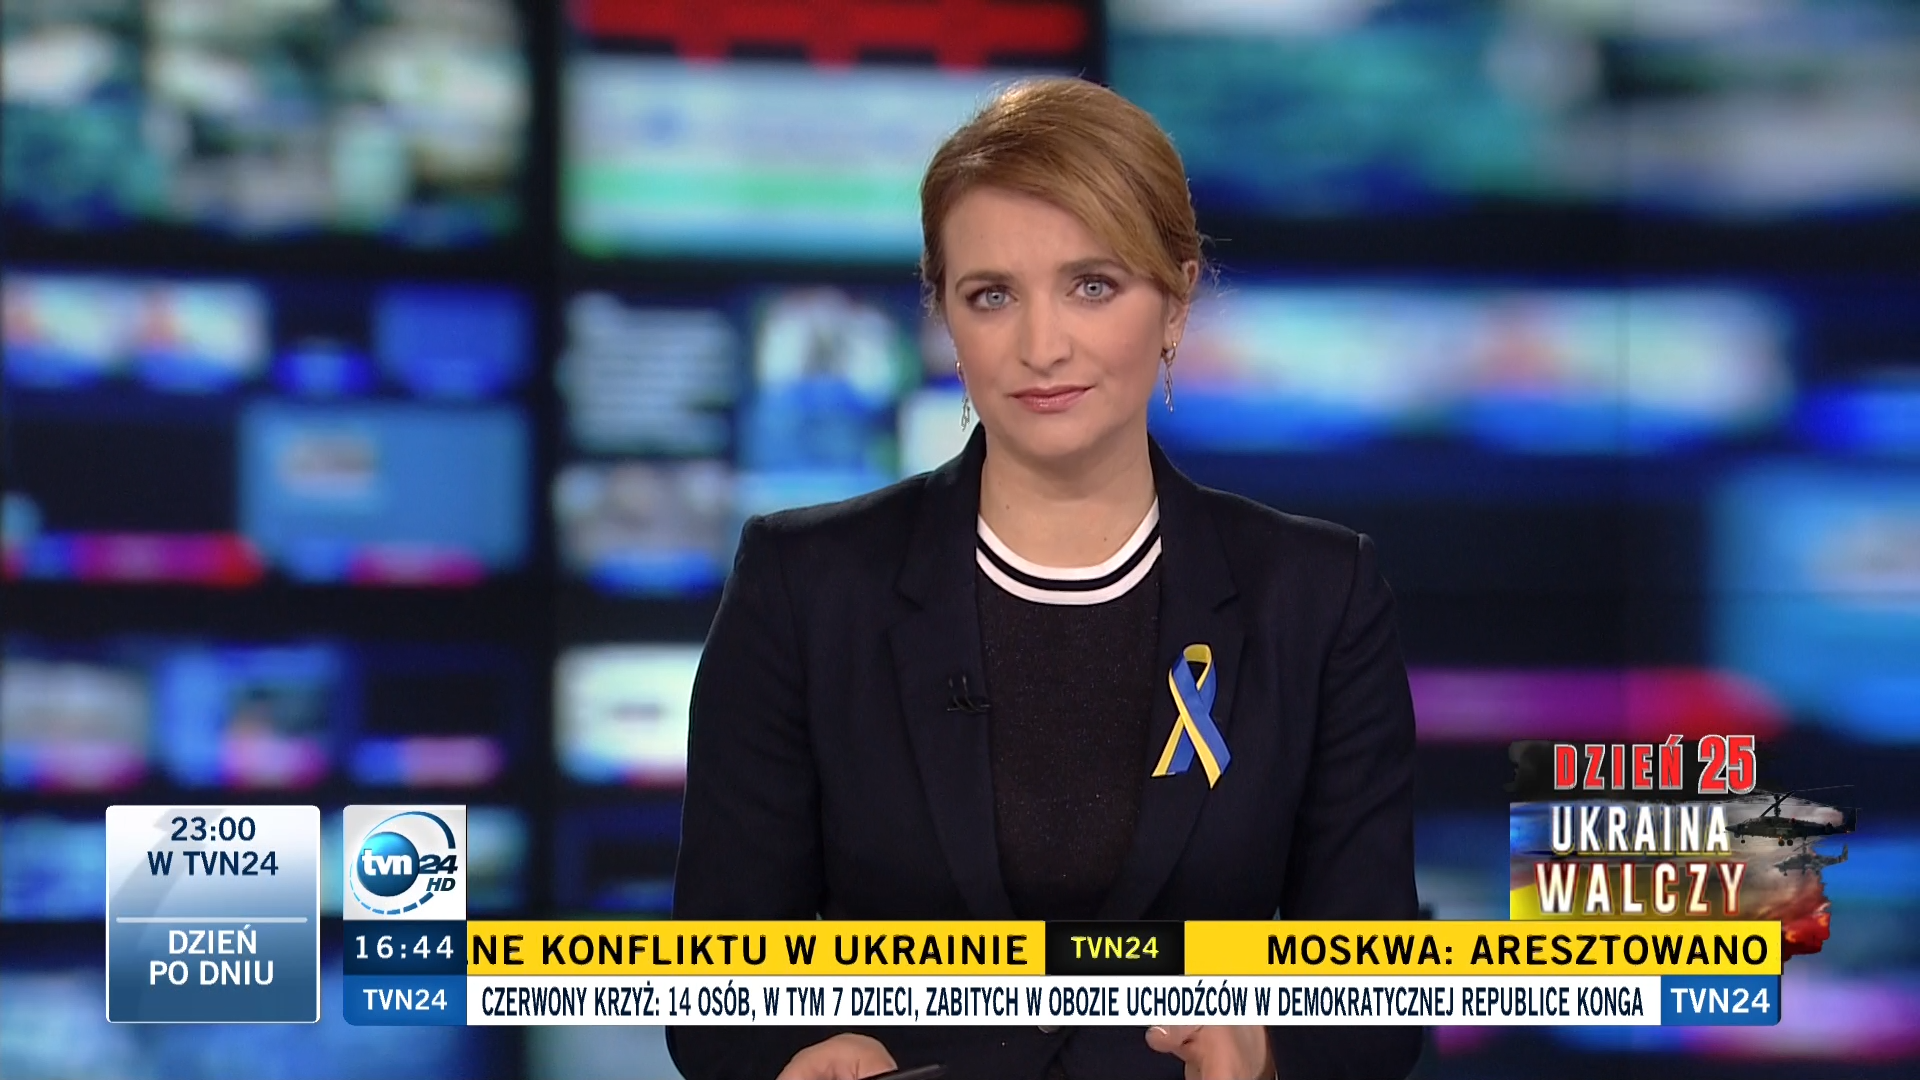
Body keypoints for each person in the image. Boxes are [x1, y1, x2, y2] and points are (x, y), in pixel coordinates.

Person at [669, 77, 1421, 1080]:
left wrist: (1268, 1051)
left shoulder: (1317, 597)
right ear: (944, 316)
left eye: (1092, 286)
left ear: (1177, 299)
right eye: (992, 296)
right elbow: (714, 984)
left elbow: (1376, 994)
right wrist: (798, 1054)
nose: (1041, 347)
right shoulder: (803, 589)